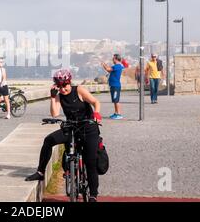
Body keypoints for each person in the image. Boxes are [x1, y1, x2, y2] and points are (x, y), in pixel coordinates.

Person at [25, 69, 102, 202]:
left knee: (90, 161)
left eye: (64, 86)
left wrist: (96, 114)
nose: (63, 89)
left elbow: (96, 102)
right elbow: (55, 114)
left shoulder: (79, 90)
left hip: (88, 128)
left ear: (69, 83)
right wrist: (53, 97)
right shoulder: (59, 95)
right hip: (71, 127)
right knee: (48, 140)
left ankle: (93, 195)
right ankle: (40, 172)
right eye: (59, 86)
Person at [101, 54, 125, 120]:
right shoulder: (116, 66)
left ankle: (119, 114)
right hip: (113, 85)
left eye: (113, 58)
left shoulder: (118, 66)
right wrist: (105, 65)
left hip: (115, 86)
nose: (112, 60)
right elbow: (109, 70)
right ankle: (116, 113)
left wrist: (103, 64)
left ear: (116, 59)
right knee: (114, 100)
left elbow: (108, 68)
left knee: (116, 100)